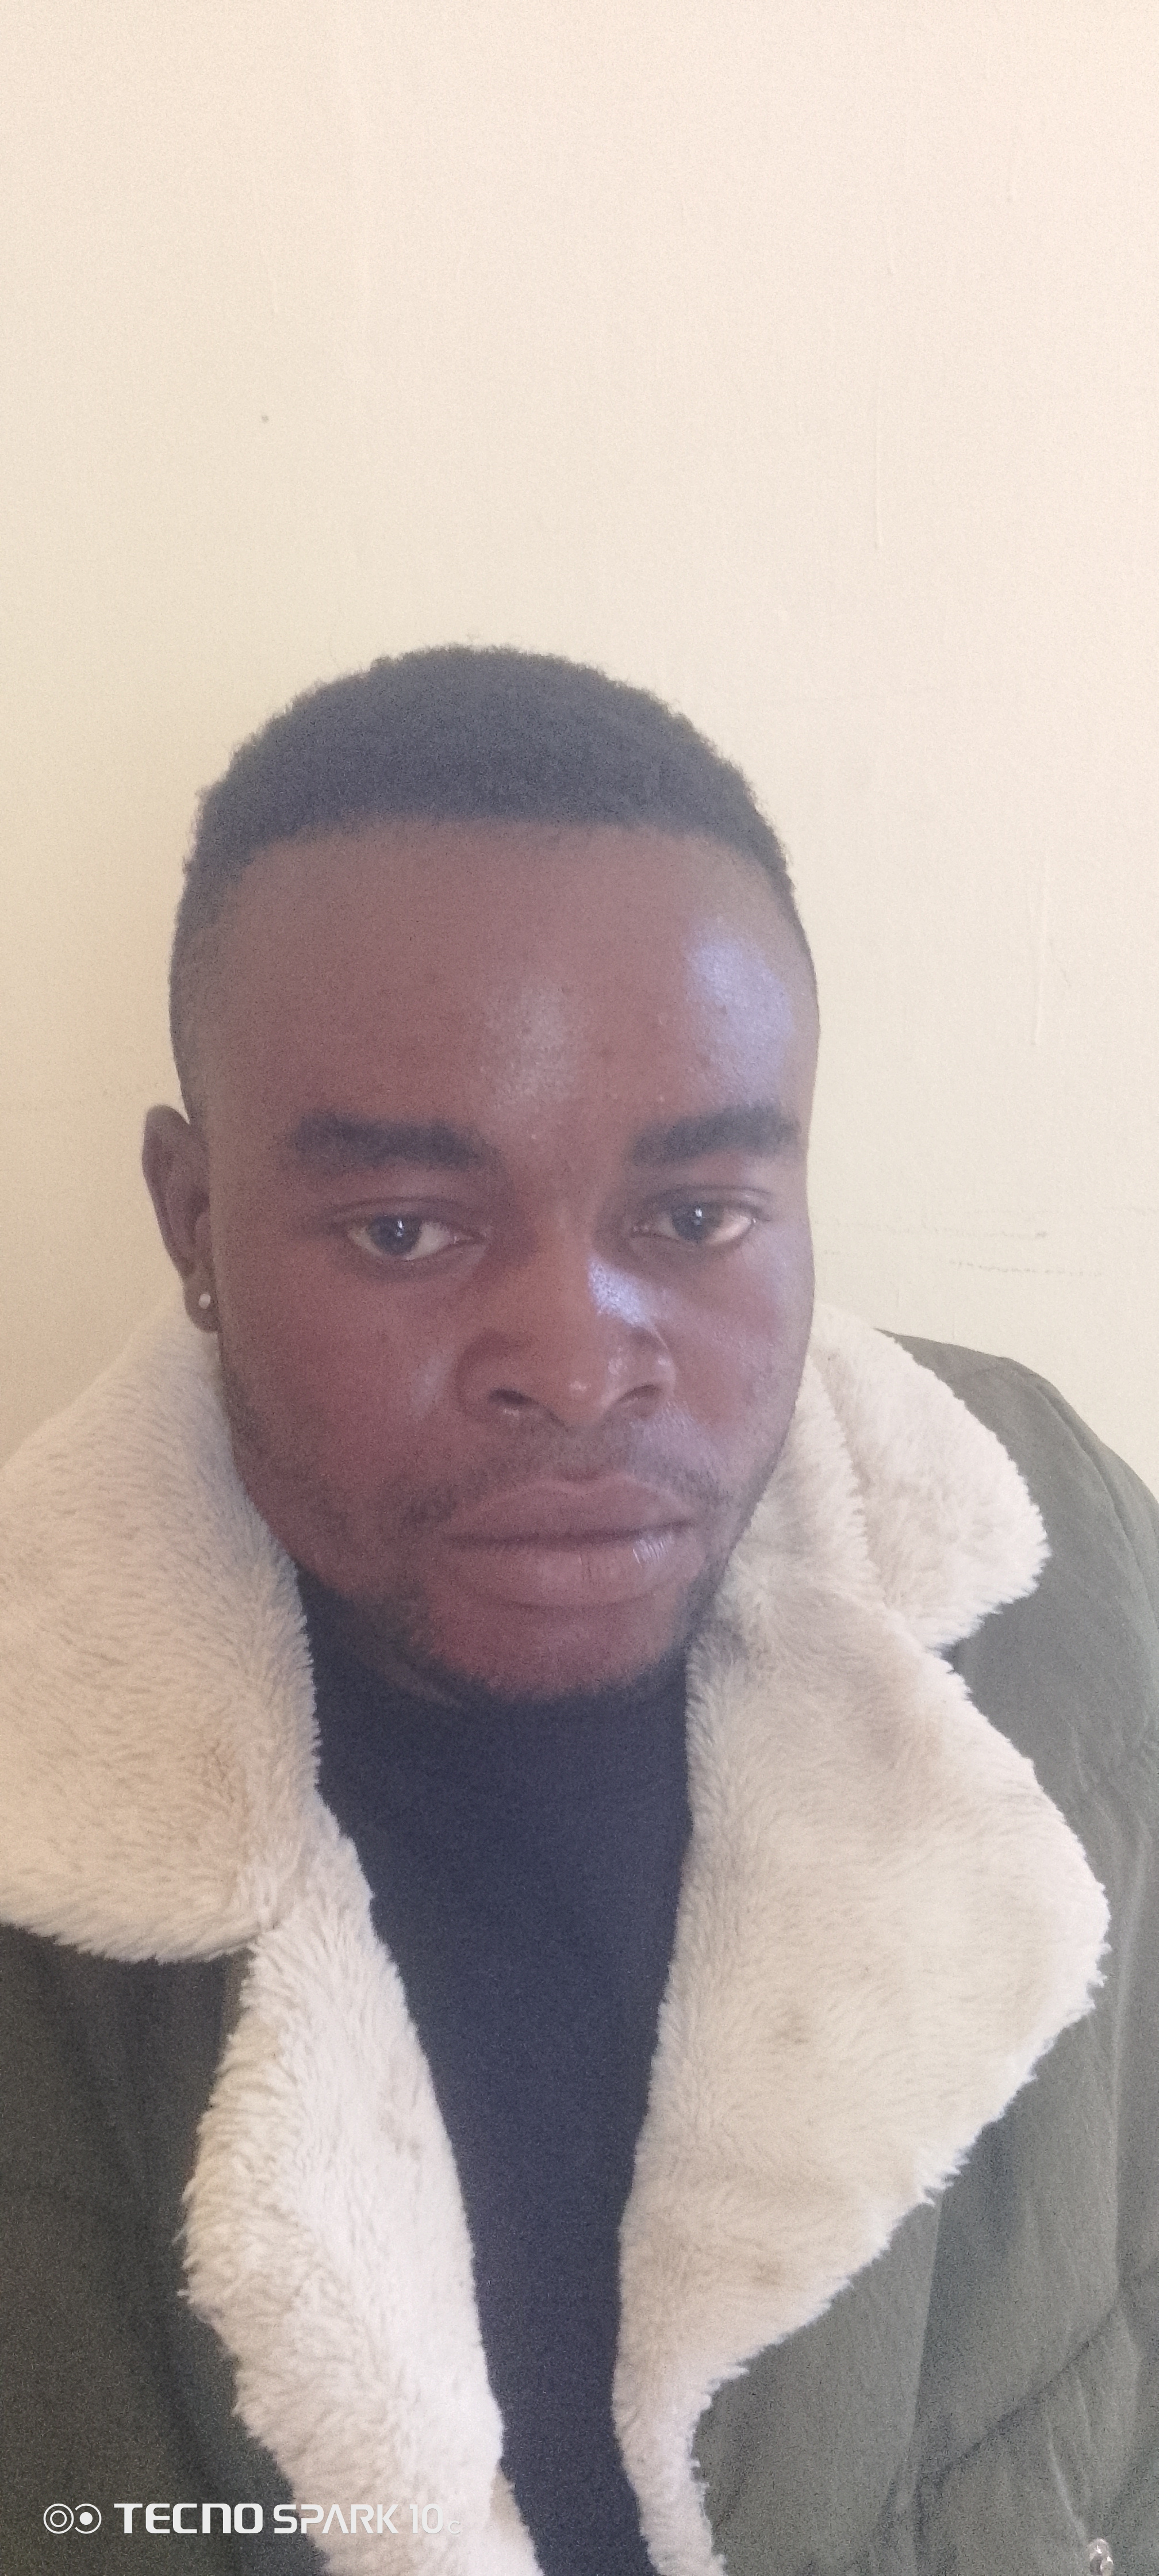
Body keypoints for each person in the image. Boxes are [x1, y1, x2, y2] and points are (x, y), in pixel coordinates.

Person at [1, 648, 1156, 2576]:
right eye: (404, 1228)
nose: (576, 1361)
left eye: (694, 1218)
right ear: (193, 1222)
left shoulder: (1066, 1568)